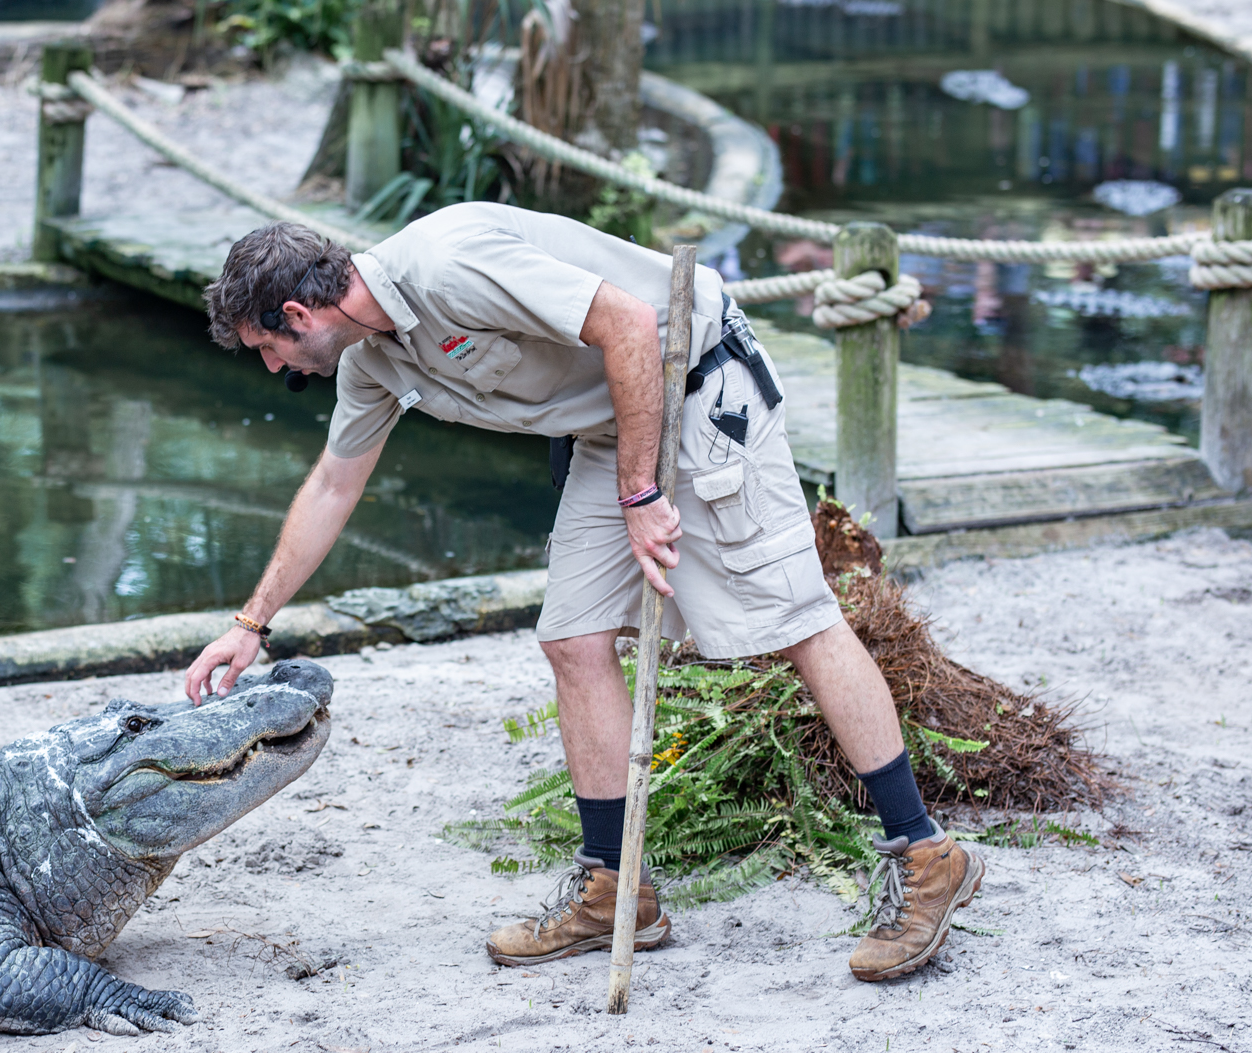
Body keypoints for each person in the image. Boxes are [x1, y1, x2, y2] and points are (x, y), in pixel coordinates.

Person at [181, 206, 981, 983]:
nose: (274, 370)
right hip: (614, 420)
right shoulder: (372, 362)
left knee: (798, 621)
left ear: (296, 312)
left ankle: (926, 855)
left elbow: (630, 323)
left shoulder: (447, 263)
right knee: (572, 638)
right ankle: (615, 891)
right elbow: (331, 485)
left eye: (268, 349)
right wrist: (252, 623)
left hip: (695, 379)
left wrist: (640, 496)